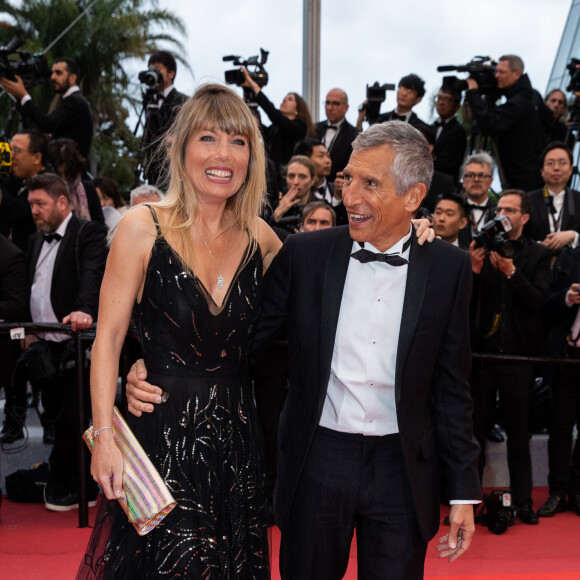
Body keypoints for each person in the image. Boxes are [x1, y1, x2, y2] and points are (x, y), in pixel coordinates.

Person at [126, 121, 479, 580]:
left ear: (412, 198)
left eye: (370, 184)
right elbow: (239, 341)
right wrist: (157, 365)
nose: (350, 197)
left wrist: (464, 493)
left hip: (403, 469)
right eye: (348, 179)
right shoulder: (305, 254)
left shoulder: (448, 268)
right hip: (317, 460)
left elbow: (453, 386)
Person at [77, 83, 281, 579]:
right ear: (180, 147)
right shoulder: (142, 226)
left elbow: (324, 285)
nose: (223, 155)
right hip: (160, 439)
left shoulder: (264, 238)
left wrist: (414, 235)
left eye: (238, 142)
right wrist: (103, 434)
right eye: (208, 138)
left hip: (237, 447)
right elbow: (107, 339)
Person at [23, 173, 107, 505]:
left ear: (62, 202)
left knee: (76, 417)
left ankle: (76, 487)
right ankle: (72, 483)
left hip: (75, 342)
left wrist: (85, 309)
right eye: (30, 204)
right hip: (42, 345)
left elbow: (92, 274)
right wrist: (29, 331)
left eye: (39, 203)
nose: (33, 211)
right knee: (56, 416)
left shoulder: (88, 234)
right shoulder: (34, 241)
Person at [469, 189, 551, 526]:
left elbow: (541, 304)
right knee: (475, 432)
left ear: (525, 217)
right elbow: (466, 303)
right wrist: (473, 271)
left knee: (519, 432)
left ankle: (523, 502)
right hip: (483, 355)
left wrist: (512, 273)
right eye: (499, 208)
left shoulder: (539, 255)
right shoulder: (482, 249)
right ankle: (468, 502)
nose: (502, 214)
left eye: (510, 209)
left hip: (519, 356)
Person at [540, 246, 580, 517]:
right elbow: (545, 303)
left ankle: (577, 492)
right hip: (567, 357)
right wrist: (567, 297)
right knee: (561, 426)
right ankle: (557, 491)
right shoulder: (569, 258)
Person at [465, 55, 544, 191]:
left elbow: (489, 123)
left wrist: (473, 93)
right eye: (496, 71)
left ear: (516, 74)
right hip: (525, 176)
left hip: (523, 181)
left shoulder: (519, 102)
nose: (496, 76)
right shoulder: (530, 95)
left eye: (501, 72)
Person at [0, 58, 93, 158]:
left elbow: (47, 124)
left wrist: (23, 95)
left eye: (58, 73)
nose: (52, 77)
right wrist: (20, 96)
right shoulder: (74, 100)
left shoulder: (74, 101)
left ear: (72, 78)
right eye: (52, 73)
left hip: (68, 169)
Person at [241, 68, 315, 184]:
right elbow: (260, 130)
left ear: (297, 110)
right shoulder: (275, 128)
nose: (284, 100)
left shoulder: (300, 128)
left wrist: (255, 87)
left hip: (285, 180)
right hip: (268, 176)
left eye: (290, 99)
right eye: (284, 98)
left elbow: (274, 115)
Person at [142, 51, 188, 188]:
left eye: (158, 68)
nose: (153, 72)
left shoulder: (183, 101)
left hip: (172, 171)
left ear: (171, 73)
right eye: (150, 68)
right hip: (151, 171)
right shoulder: (149, 100)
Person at [525, 142, 580, 254]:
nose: (556, 168)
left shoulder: (578, 199)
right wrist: (539, 246)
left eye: (562, 163)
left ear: (570, 169)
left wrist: (573, 236)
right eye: (550, 163)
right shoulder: (527, 200)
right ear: (541, 171)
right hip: (536, 267)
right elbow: (517, 236)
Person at [0, 233, 29, 444]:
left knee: (12, 379)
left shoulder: (10, 255)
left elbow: (18, 305)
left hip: (6, 336)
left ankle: (14, 421)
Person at [0, 130, 50, 251]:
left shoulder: (48, 182)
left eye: (16, 151)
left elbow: (18, 210)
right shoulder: (19, 179)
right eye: (9, 150)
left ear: (37, 158)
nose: (11, 155)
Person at [47, 138, 104, 225]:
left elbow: (99, 224)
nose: (64, 178)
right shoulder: (43, 191)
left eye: (68, 173)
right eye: (59, 174)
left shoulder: (88, 188)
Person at [356, 73, 428, 131]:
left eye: (410, 92)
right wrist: (360, 121)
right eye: (402, 89)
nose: (404, 94)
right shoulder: (380, 119)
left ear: (418, 99)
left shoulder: (421, 128)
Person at [315, 88, 359, 180]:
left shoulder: (354, 135)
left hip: (339, 185)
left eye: (336, 103)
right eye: (327, 103)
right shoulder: (313, 128)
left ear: (346, 107)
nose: (330, 108)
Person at [268, 155, 317, 234]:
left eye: (302, 176)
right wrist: (278, 212)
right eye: (291, 176)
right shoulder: (273, 205)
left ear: (312, 181)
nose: (296, 182)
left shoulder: (321, 206)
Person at [432, 86, 467, 183]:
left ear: (457, 106)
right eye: (439, 98)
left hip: (444, 185)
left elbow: (445, 164)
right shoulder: (431, 127)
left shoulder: (458, 131)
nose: (441, 102)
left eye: (447, 99)